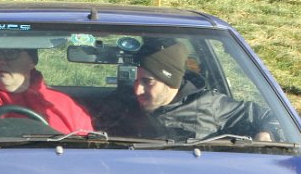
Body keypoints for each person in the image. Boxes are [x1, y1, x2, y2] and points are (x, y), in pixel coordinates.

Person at [109, 39, 280, 142]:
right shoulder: (122, 103)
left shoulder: (210, 105)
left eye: (148, 82)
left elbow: (272, 117)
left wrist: (267, 133)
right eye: (136, 80)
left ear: (172, 82)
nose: (137, 90)